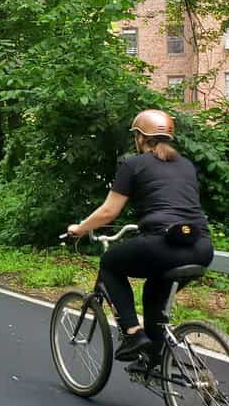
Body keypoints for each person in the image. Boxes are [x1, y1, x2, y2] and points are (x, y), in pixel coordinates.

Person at [66, 110, 213, 363]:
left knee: (110, 263)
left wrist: (80, 228)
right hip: (201, 247)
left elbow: (109, 211)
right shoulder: (186, 165)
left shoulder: (132, 164)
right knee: (155, 291)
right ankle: (155, 360)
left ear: (140, 137)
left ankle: (133, 334)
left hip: (162, 245)